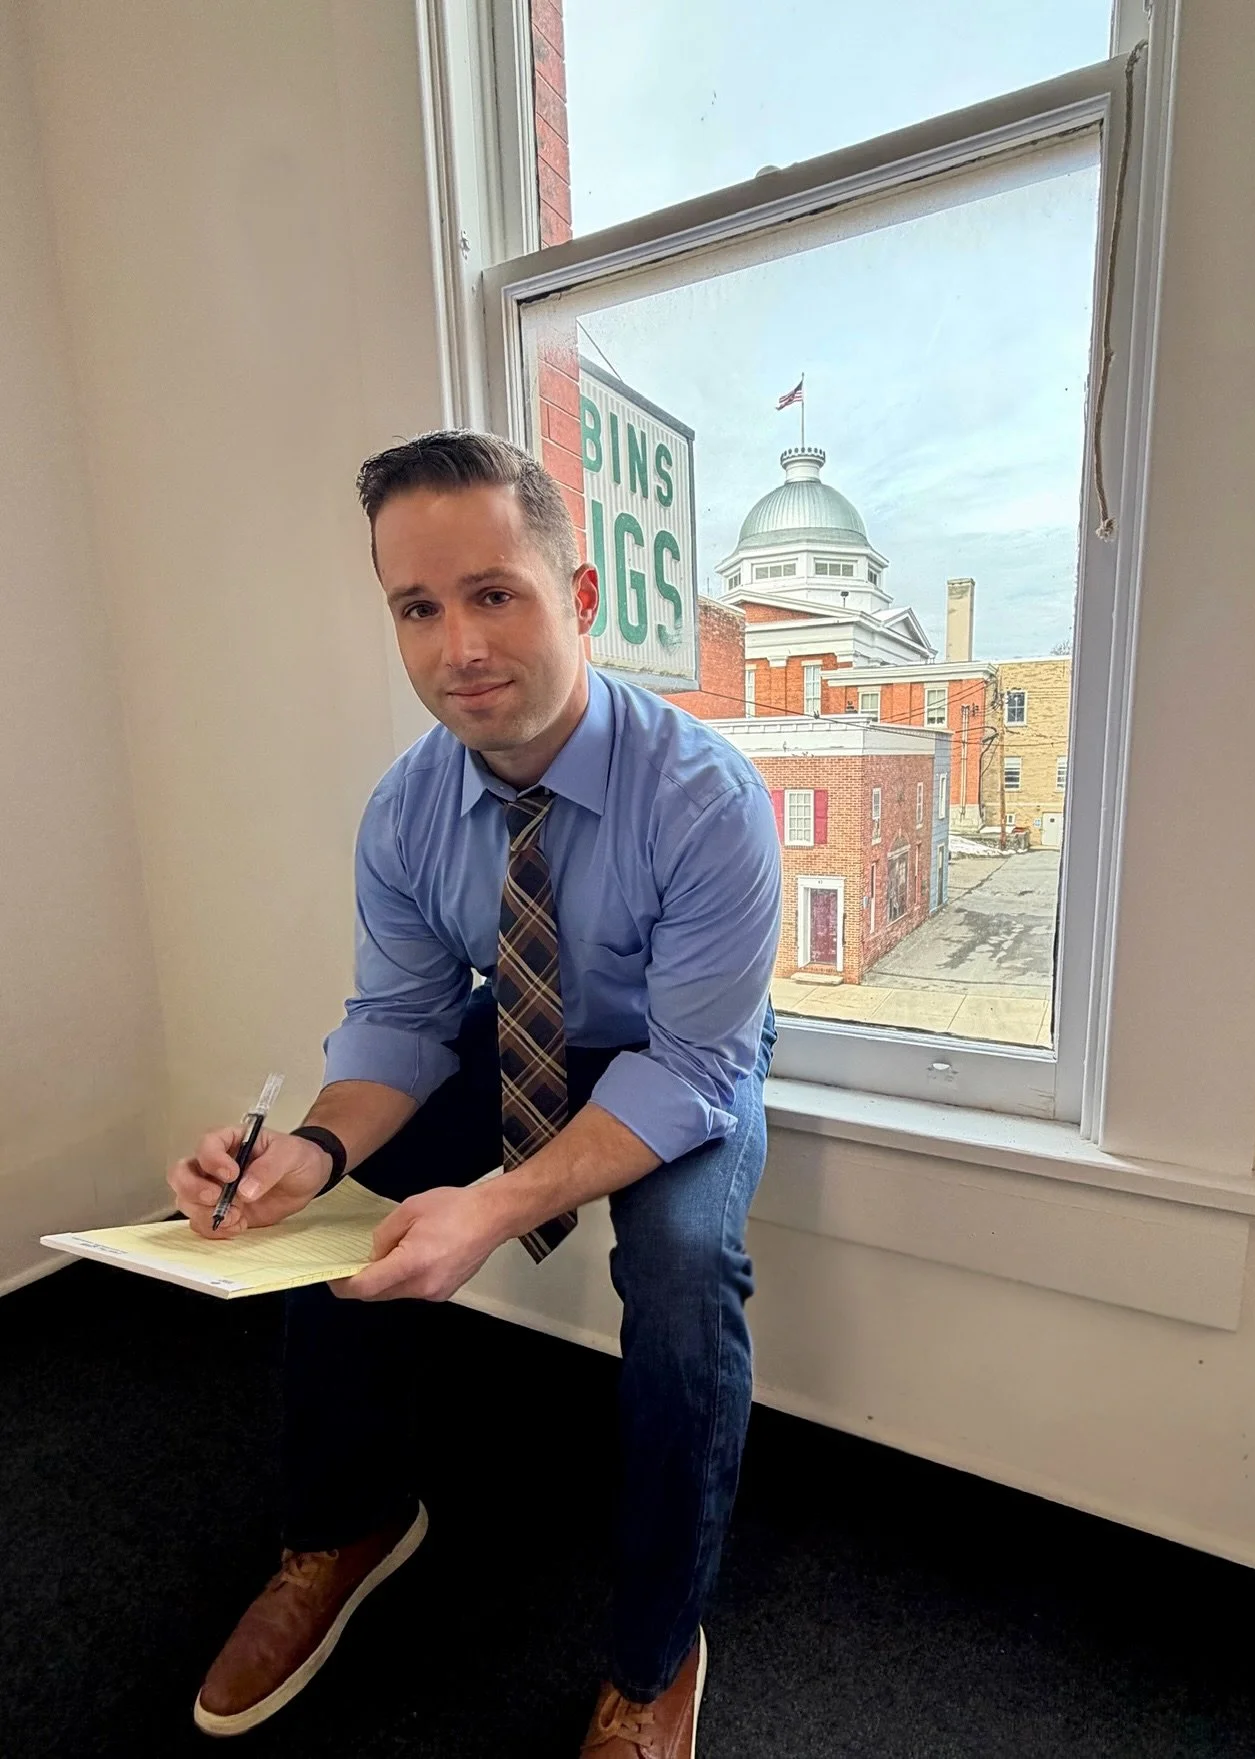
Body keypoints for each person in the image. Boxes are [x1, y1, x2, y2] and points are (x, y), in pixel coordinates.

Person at [166, 430, 781, 1757]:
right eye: (419, 607)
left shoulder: (708, 798)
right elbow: (399, 1021)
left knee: (682, 1276)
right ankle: (343, 1525)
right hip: (511, 1027)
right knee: (326, 1224)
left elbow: (695, 1064)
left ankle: (655, 1651)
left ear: (582, 597)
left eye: (494, 592)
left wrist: (494, 1204)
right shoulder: (403, 811)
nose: (459, 647)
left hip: (677, 1057)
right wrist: (315, 1155)